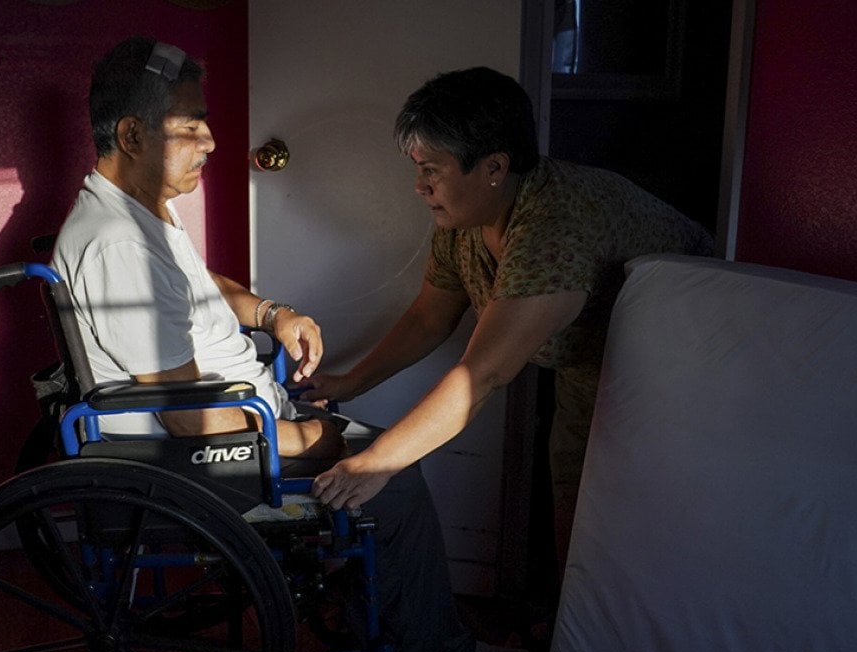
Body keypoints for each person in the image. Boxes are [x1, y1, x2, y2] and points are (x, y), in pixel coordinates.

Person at [51, 37, 530, 652]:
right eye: (191, 124)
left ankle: (432, 641)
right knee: (393, 475)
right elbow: (192, 420)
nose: (213, 139)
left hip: (241, 418)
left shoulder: (135, 214)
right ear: (133, 134)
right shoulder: (117, 245)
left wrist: (270, 313)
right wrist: (301, 435)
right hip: (204, 455)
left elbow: (196, 282)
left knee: (379, 454)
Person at [304, 67, 714, 583]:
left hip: (685, 361)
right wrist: (348, 382)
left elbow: (484, 374)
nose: (419, 186)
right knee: (575, 483)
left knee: (639, 507)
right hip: (593, 363)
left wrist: (378, 463)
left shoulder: (554, 225)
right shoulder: (465, 221)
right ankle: (572, 627)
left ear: (494, 166)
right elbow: (430, 317)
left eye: (432, 169)